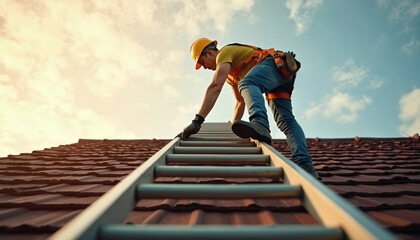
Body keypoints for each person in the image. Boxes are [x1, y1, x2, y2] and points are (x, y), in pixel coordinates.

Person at [180, 38, 319, 179]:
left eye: (202, 62)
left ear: (209, 53)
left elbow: (215, 86)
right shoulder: (231, 76)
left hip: (273, 65)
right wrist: (235, 128)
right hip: (280, 75)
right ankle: (306, 166)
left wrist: (197, 121)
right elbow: (240, 102)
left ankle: (260, 123)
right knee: (286, 122)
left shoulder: (224, 53)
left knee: (247, 83)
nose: (204, 67)